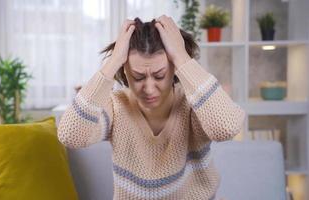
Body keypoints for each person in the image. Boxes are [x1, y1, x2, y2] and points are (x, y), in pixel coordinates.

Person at [57, 15, 246, 200]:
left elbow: (226, 127)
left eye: (159, 75)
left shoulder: (193, 104)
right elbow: (70, 136)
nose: (149, 89)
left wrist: (181, 56)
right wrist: (113, 62)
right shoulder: (116, 106)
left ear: (173, 68)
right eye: (138, 77)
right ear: (124, 70)